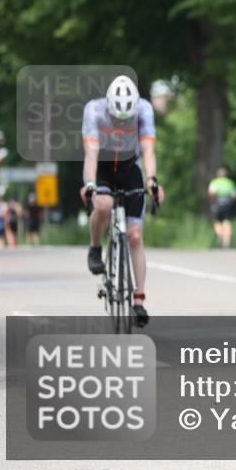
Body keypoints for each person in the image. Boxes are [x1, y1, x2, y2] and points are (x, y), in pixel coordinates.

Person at [80, 75, 166, 327]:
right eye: (117, 117)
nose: (120, 122)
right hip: (103, 168)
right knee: (104, 206)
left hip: (130, 168)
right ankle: (95, 247)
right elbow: (91, 153)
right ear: (108, 105)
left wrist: (152, 180)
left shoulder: (144, 109)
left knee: (136, 235)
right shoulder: (93, 110)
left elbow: (149, 150)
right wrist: (91, 185)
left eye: (125, 119)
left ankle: (138, 301)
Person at [208, 167, 236, 249]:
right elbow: (235, 195)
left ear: (218, 175)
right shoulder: (230, 183)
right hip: (227, 204)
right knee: (227, 222)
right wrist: (231, 201)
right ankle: (227, 241)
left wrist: (213, 202)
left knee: (217, 221)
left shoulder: (215, 182)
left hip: (218, 203)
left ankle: (220, 235)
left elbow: (211, 193)